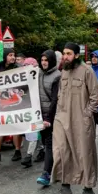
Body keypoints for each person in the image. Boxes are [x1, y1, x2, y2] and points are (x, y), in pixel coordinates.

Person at [49, 42, 98, 194]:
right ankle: (65, 189)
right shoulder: (63, 71)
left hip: (81, 121)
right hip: (62, 119)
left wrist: (86, 114)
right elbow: (59, 95)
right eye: (64, 53)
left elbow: (96, 96)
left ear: (77, 55)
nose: (65, 56)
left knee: (84, 154)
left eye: (69, 53)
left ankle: (88, 189)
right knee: (60, 153)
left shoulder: (87, 71)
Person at [36, 50, 61, 186]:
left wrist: (49, 119)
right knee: (47, 144)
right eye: (42, 60)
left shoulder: (57, 76)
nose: (44, 62)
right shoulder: (38, 73)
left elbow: (55, 101)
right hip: (39, 115)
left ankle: (46, 173)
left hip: (51, 116)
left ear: (51, 61)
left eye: (46, 60)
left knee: (50, 144)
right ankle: (58, 168)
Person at [0, 50, 23, 161]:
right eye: (10, 55)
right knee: (1, 125)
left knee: (15, 126)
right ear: (5, 56)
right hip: (2, 100)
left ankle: (17, 150)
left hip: (14, 100)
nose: (13, 57)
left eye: (14, 55)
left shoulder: (18, 67)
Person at [21, 57, 44, 168]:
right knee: (34, 131)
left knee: (34, 131)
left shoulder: (40, 76)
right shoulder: (24, 77)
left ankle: (29, 155)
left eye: (27, 66)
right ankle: (41, 150)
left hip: (38, 108)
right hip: (29, 107)